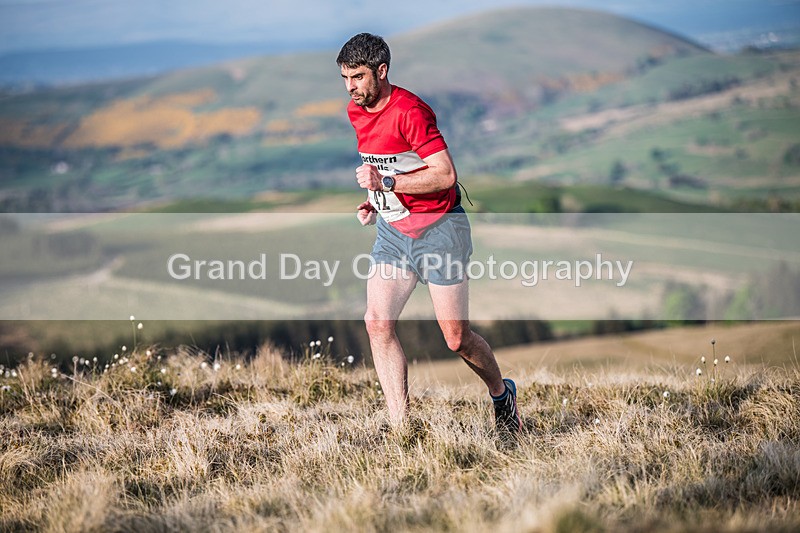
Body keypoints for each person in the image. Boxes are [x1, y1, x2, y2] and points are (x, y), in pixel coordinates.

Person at [336, 33, 521, 435]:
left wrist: (384, 183)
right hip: (394, 231)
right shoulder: (357, 111)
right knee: (377, 323)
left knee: (456, 338)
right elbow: (388, 164)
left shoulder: (411, 111)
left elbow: (444, 174)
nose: (351, 86)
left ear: (381, 71)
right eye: (345, 78)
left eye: (358, 76)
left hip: (440, 230)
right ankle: (402, 430)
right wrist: (377, 201)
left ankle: (501, 394)